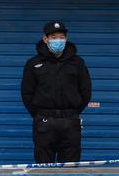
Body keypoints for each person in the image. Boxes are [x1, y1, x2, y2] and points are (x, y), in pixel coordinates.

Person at [21, 21, 92, 164]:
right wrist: (40, 114)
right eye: (53, 37)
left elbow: (85, 91)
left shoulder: (77, 63)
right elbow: (27, 93)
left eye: (61, 37)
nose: (58, 40)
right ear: (46, 39)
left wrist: (72, 111)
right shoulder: (33, 63)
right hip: (44, 121)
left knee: (70, 166)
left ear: (66, 38)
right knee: (44, 165)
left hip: (70, 120)